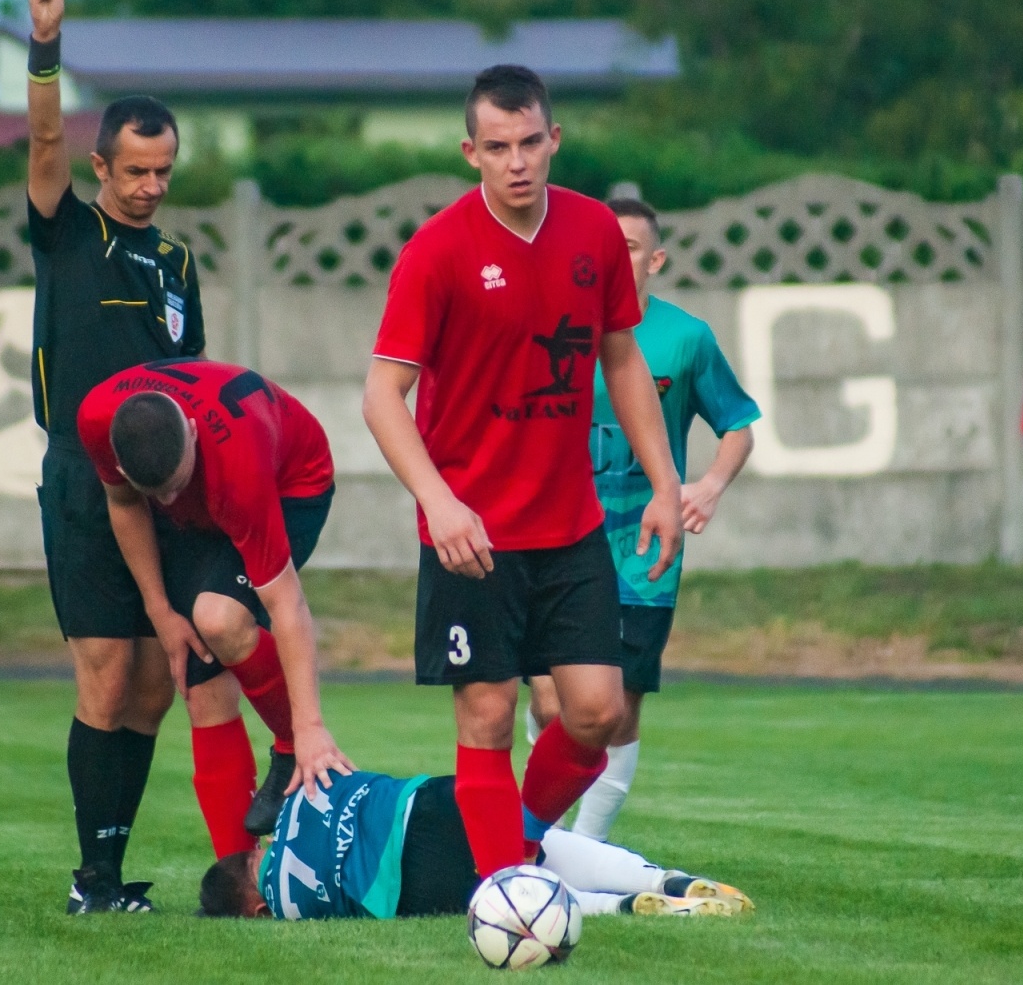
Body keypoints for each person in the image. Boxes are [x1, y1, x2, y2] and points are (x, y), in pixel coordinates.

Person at [362, 65, 685, 883]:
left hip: (569, 526)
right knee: (490, 713)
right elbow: (381, 396)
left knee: (598, 713)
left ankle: (518, 842)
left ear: (554, 141)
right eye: (498, 146)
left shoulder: (594, 235)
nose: (517, 161)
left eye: (530, 142)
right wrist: (440, 503)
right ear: (471, 152)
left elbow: (622, 362)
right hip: (473, 535)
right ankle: (503, 891)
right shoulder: (435, 253)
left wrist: (665, 487)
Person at [25, 0, 287, 914]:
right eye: (132, 170)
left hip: (166, 488)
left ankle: (114, 869)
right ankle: (92, 881)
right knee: (105, 674)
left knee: (151, 685)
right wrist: (47, 42)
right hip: (83, 484)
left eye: (162, 171)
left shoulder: (177, 262)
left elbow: (198, 377)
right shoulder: (66, 234)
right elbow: (44, 134)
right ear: (101, 169)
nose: (148, 186)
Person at [527, 198, 760, 840]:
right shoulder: (553, 322)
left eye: (629, 245)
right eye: (606, 242)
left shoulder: (685, 337)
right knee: (554, 703)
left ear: (654, 259)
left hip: (641, 550)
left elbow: (738, 424)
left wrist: (708, 486)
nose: (615, 254)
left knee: (618, 706)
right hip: (553, 539)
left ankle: (584, 846)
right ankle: (538, 820)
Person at [76, 358, 354, 861]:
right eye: (157, 492)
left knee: (219, 619)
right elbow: (125, 504)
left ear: (191, 430)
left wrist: (308, 727)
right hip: (205, 507)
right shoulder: (98, 418)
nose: (170, 499)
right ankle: (240, 883)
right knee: (201, 685)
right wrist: (161, 613)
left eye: (177, 485)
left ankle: (293, 748)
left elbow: (287, 602)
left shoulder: (239, 467)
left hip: (293, 482)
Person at [196, 769, 754, 920]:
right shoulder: (295, 800)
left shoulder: (287, 907)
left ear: (254, 908)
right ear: (254, 849)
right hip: (428, 799)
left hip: (407, 874)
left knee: (509, 892)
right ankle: (665, 880)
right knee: (535, 840)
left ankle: (624, 907)